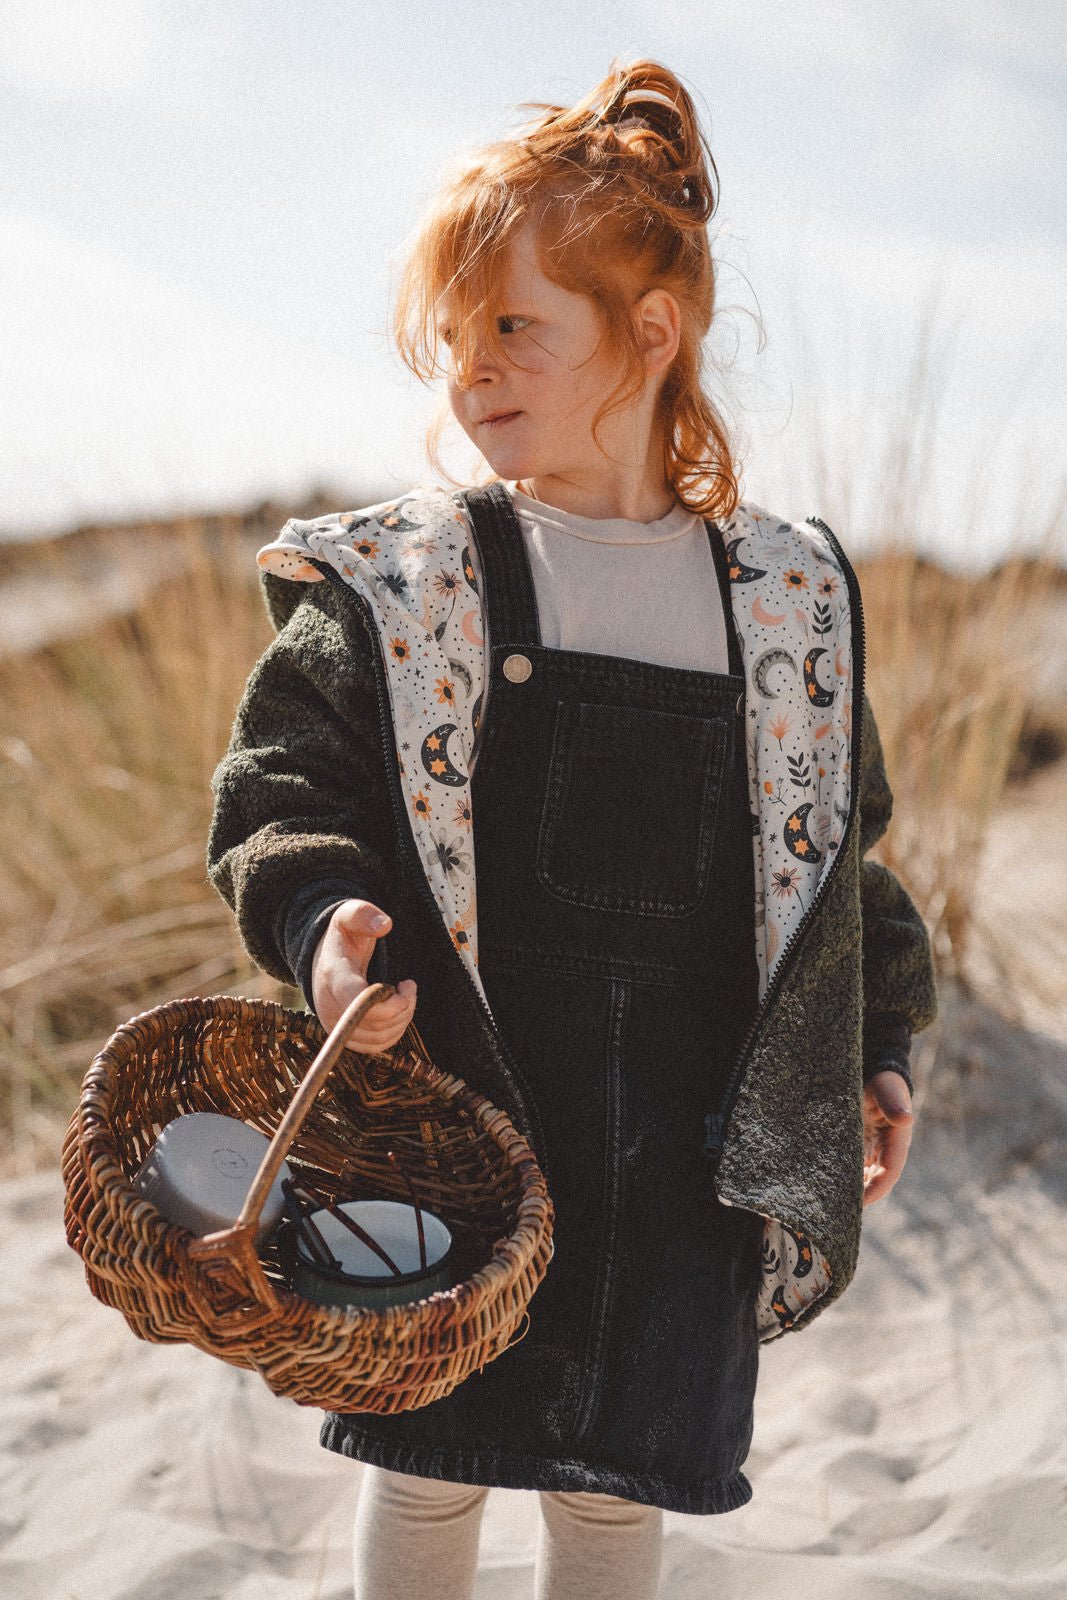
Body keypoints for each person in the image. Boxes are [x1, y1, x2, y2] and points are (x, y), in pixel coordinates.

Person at [207, 56, 938, 1600]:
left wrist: (872, 1043)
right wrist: (318, 922)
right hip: (459, 1102)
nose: (473, 372)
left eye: (515, 327)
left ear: (649, 334)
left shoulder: (783, 598)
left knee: (620, 1486)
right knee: (426, 1464)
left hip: (690, 1133)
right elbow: (286, 784)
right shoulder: (416, 583)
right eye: (454, 343)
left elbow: (836, 860)